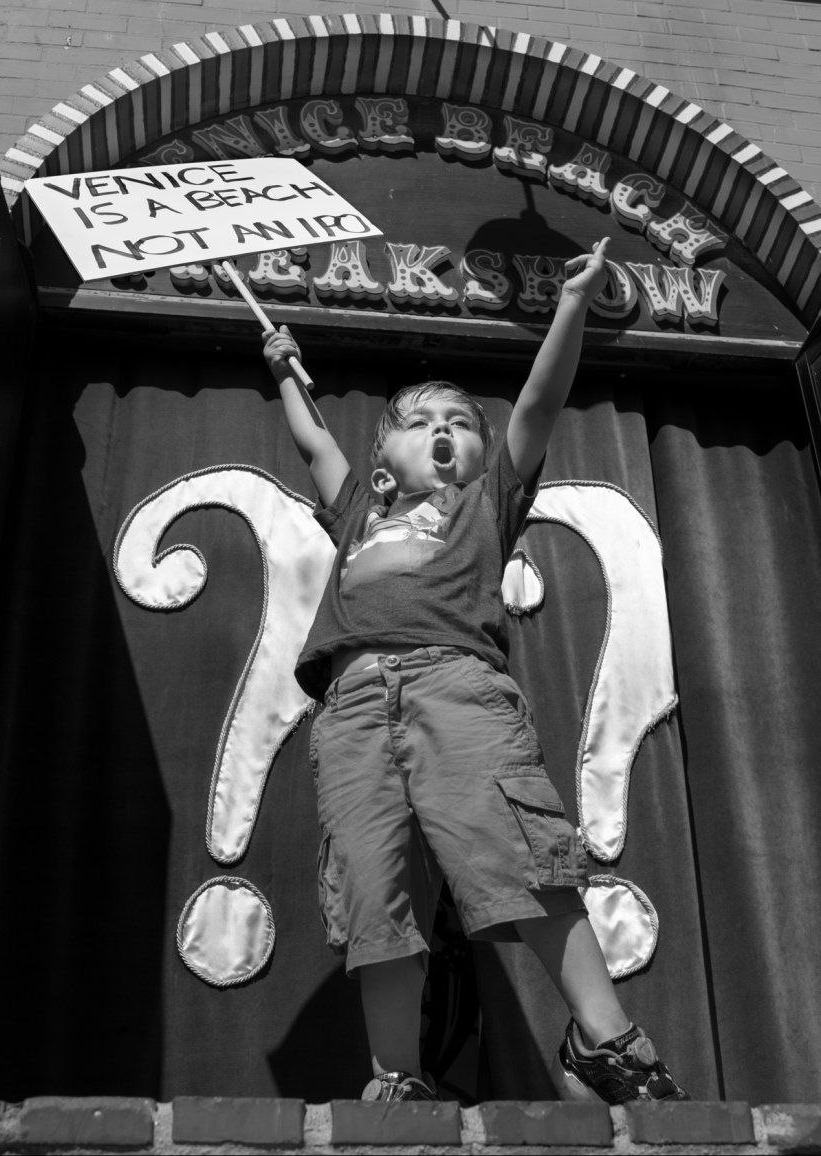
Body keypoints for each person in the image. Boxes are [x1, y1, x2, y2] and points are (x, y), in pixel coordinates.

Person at [262, 238, 688, 1105]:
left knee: (519, 855)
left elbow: (538, 401)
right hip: (349, 707)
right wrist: (282, 372)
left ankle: (605, 1044)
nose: (443, 433)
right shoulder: (357, 511)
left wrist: (570, 303)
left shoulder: (486, 503)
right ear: (385, 459)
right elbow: (312, 443)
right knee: (373, 891)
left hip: (455, 685)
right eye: (420, 423)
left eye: (457, 421)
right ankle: (396, 1077)